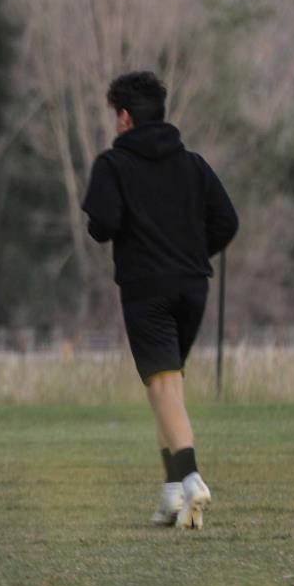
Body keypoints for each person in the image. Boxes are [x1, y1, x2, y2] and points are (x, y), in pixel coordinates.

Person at [81, 71, 238, 529]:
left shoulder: (113, 164)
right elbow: (226, 221)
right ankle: (171, 494)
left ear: (125, 117)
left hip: (145, 288)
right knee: (167, 389)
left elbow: (103, 225)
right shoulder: (193, 164)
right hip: (193, 286)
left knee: (163, 386)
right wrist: (189, 253)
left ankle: (190, 478)